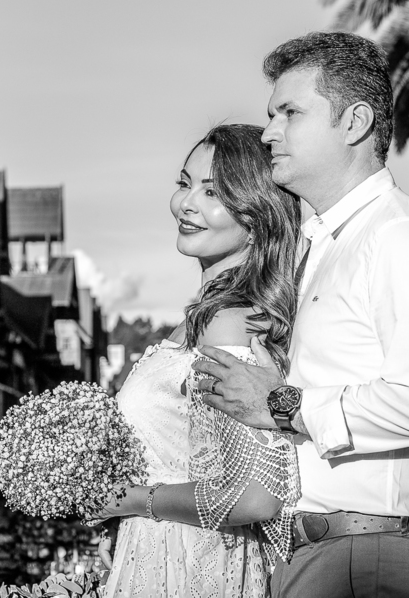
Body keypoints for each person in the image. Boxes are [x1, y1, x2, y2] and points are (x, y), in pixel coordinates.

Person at [194, 32, 409, 598]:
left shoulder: (400, 235)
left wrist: (282, 404)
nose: (270, 132)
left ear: (355, 123)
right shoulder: (322, 245)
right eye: (272, 115)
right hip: (325, 551)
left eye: (290, 113)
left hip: (379, 556)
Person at [92, 123, 303, 597]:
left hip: (191, 564)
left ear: (256, 217)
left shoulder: (227, 324)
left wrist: (132, 502)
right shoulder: (204, 318)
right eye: (185, 183)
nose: (186, 203)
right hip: (158, 549)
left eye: (213, 192)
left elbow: (255, 498)